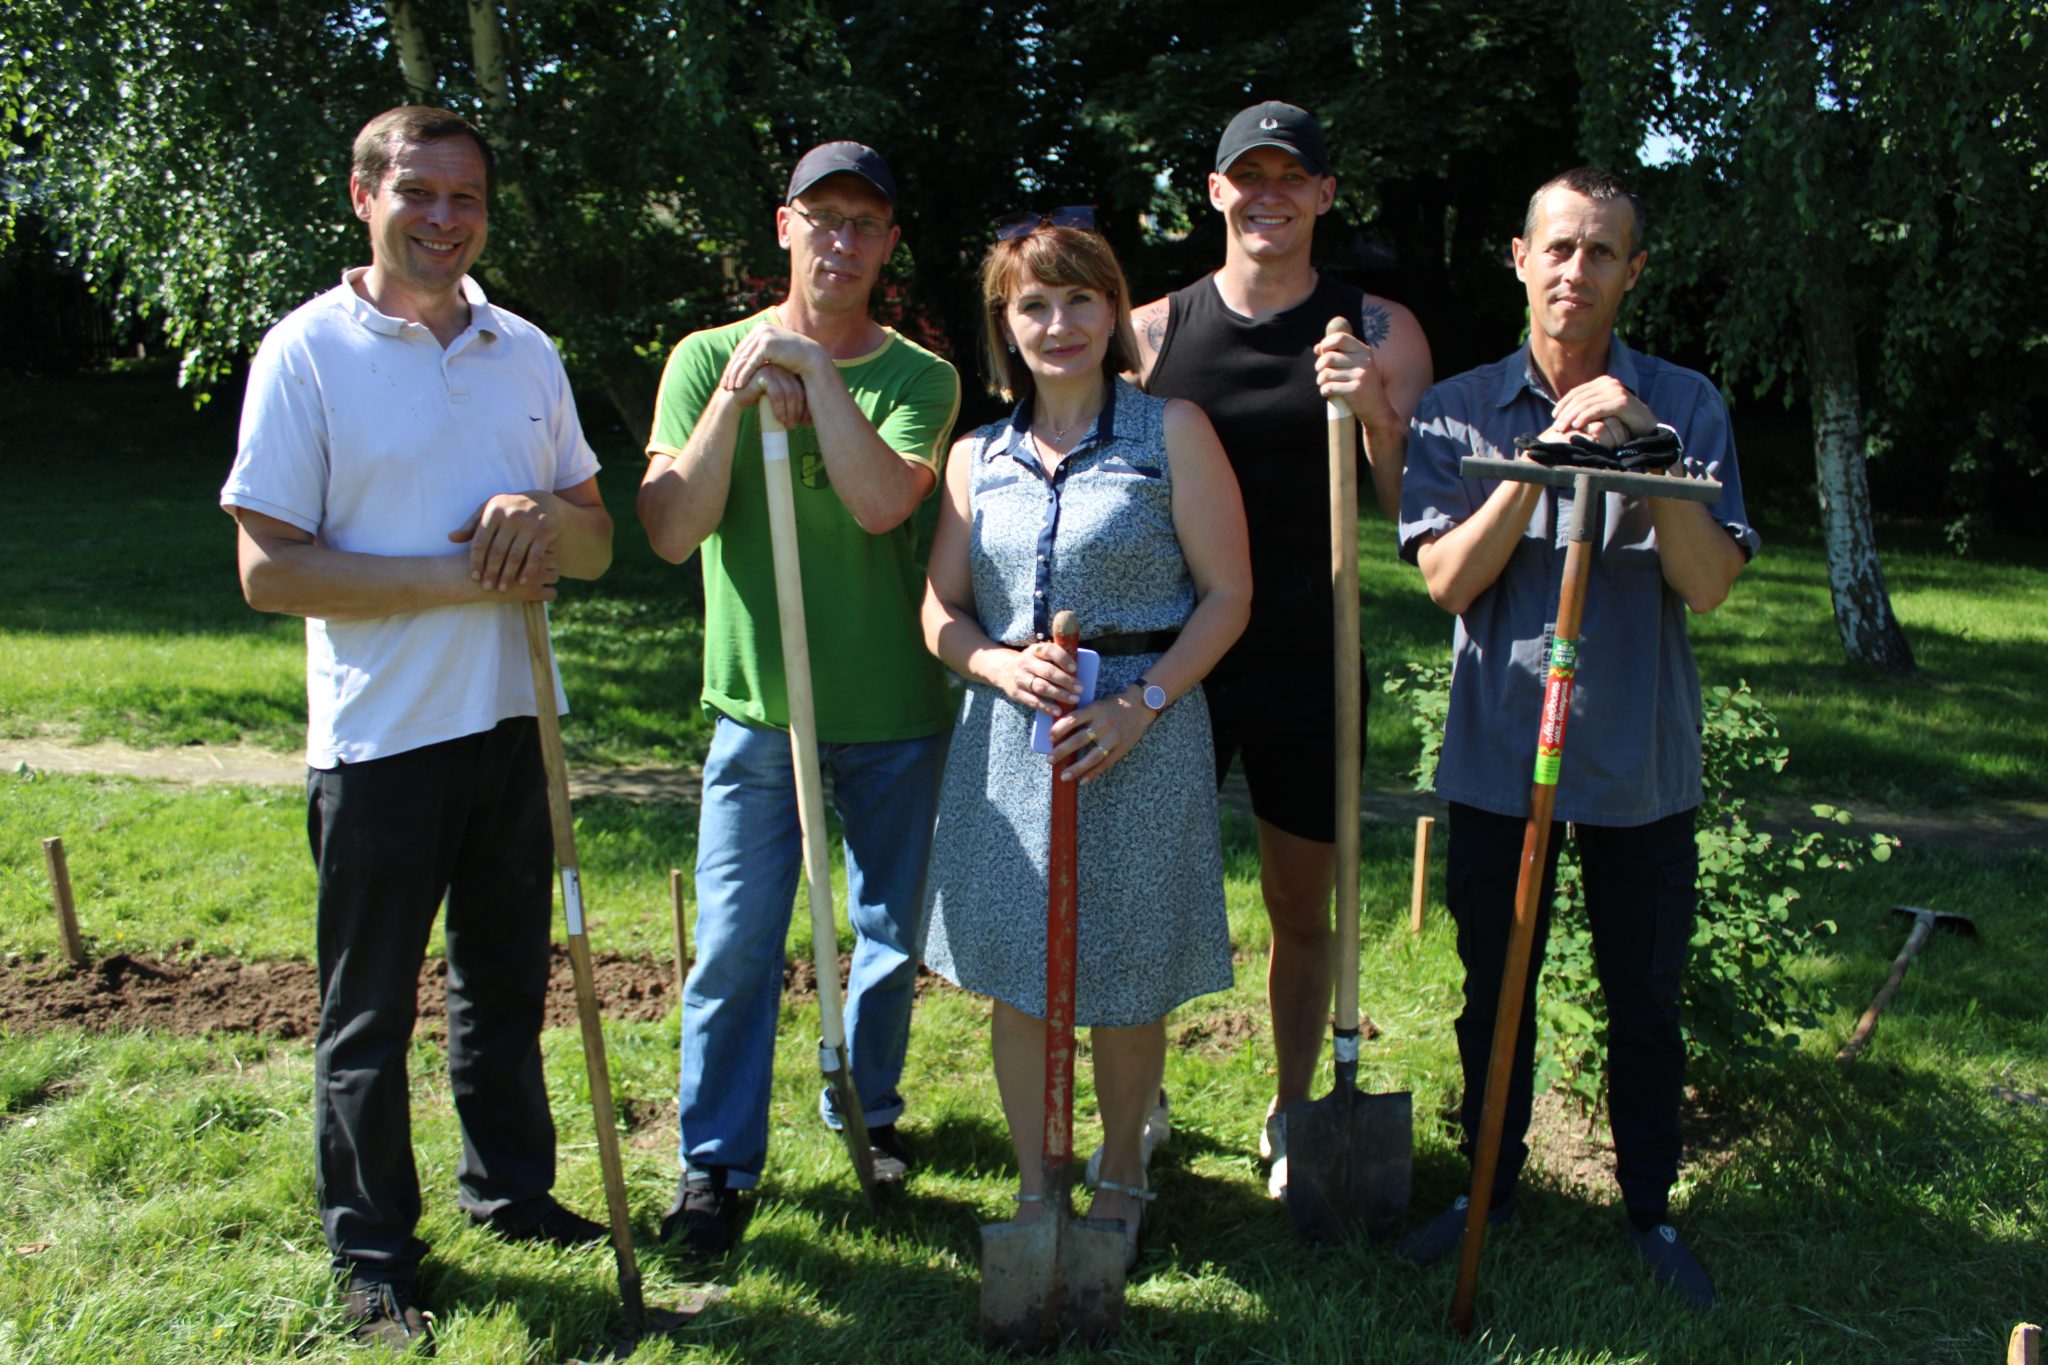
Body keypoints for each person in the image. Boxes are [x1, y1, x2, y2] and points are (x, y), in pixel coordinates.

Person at [220, 105, 615, 1351]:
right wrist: (464, 576)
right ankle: (374, 1252)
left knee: (503, 988)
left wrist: (539, 521)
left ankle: (510, 1193)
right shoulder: (307, 352)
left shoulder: (523, 349)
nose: (444, 220)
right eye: (419, 195)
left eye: (466, 200)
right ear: (362, 198)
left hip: (512, 721)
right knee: (368, 1011)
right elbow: (267, 572)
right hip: (380, 741)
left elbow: (597, 545)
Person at [1395, 167, 1756, 1310]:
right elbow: (1448, 584)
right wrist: (1533, 469)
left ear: (1631, 272)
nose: (1574, 271)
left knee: (1641, 996)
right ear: (1517, 257)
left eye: (1601, 252)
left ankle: (1647, 1208)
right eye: (1556, 248)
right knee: (1490, 984)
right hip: (1502, 758)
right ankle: (1487, 1191)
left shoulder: (1687, 404)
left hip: (1637, 767)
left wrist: (1642, 450)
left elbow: (1706, 587)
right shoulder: (1455, 408)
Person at [637, 141, 960, 1255]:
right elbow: (672, 527)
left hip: (893, 711)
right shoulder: (701, 357)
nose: (841, 241)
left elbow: (881, 506)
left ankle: (862, 1105)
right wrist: (737, 398)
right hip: (758, 712)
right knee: (733, 942)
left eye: (864, 224)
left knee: (882, 934)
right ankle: (714, 1164)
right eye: (821, 219)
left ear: (886, 245)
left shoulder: (918, 377)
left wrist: (819, 377)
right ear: (784, 226)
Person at [921, 211, 1251, 1264]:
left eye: (1078, 299)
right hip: (1012, 741)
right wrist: (997, 664)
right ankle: (1034, 1179)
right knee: (1022, 971)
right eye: (1033, 305)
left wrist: (1139, 705)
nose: (1057, 323)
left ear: (1112, 311)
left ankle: (1120, 1166)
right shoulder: (976, 455)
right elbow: (938, 611)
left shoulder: (1172, 432)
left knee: (1124, 967)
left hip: (1139, 736)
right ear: (1003, 325)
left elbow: (1228, 595)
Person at [1132, 100, 1433, 1197]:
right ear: (1213, 192)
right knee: (1151, 894)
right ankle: (1141, 1101)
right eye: (1243, 177)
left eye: (1287, 178)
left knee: (1300, 908)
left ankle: (1293, 1107)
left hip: (1313, 651)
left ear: (1322, 196)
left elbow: (1415, 516)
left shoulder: (1381, 331)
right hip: (1179, 655)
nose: (1265, 196)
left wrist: (1377, 419)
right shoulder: (1152, 333)